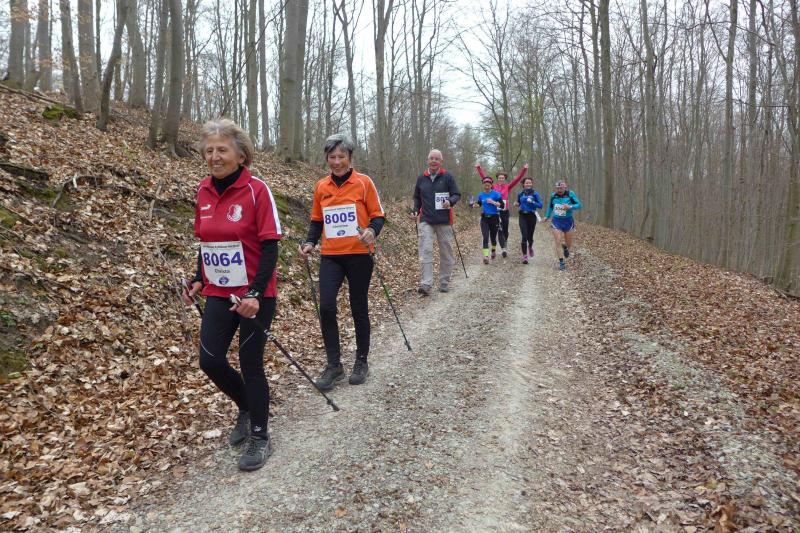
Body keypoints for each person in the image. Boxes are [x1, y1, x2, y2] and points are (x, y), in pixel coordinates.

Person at [182, 119, 283, 471]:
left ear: (241, 155)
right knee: (210, 360)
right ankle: (246, 406)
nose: (214, 156)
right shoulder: (203, 191)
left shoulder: (257, 190)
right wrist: (199, 278)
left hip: (255, 294)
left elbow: (271, 245)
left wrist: (255, 291)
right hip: (219, 291)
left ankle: (260, 436)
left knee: (250, 362)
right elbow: (207, 242)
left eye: (222, 150)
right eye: (209, 150)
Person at [299, 133, 385, 391]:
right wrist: (310, 242)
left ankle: (361, 361)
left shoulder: (363, 182)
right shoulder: (321, 186)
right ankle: (334, 365)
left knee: (358, 307)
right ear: (326, 158)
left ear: (350, 158)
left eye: (341, 157)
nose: (337, 162)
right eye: (332, 157)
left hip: (359, 254)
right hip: (331, 256)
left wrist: (371, 231)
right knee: (326, 307)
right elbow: (317, 220)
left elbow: (378, 216)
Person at [411, 149, 461, 295]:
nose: (433, 161)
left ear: (441, 162)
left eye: (436, 159)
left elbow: (456, 194)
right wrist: (415, 210)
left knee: (446, 252)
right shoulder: (421, 178)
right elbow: (417, 198)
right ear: (427, 160)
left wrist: (450, 201)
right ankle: (426, 283)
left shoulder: (448, 177)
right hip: (426, 220)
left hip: (444, 220)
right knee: (425, 250)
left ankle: (444, 282)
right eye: (431, 158)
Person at [475, 163, 528, 257]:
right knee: (499, 230)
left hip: (504, 211)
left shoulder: (508, 186)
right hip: (495, 212)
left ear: (505, 179)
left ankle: (504, 243)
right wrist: (479, 168)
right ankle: (502, 248)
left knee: (505, 230)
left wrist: (524, 169)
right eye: (499, 178)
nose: (501, 179)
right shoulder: (493, 187)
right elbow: (484, 178)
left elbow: (517, 179)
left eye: (503, 178)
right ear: (497, 179)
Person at [543, 179, 582, 271]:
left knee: (568, 243)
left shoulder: (570, 194)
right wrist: (547, 216)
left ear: (565, 187)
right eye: (558, 188)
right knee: (558, 240)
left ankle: (566, 248)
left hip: (568, 221)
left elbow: (579, 205)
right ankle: (561, 262)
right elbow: (550, 207)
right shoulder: (553, 195)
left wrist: (570, 207)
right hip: (557, 221)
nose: (559, 190)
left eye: (561, 188)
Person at [473, 176, 504, 265]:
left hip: (494, 218)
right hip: (484, 218)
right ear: (483, 185)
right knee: (485, 237)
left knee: (493, 238)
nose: (486, 187)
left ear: (491, 185)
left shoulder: (496, 194)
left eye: (488, 185)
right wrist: (476, 205)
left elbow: (502, 205)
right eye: (485, 185)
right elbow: (479, 203)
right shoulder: (481, 195)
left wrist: (493, 202)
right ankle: (486, 256)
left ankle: (493, 250)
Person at [515, 177, 543, 264]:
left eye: (530, 183)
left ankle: (530, 246)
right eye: (526, 183)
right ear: (523, 184)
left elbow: (540, 205)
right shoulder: (520, 193)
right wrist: (516, 204)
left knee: (530, 236)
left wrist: (532, 202)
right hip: (522, 215)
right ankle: (524, 256)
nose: (528, 184)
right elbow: (518, 202)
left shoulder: (535, 194)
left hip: (532, 216)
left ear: (532, 184)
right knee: (524, 235)